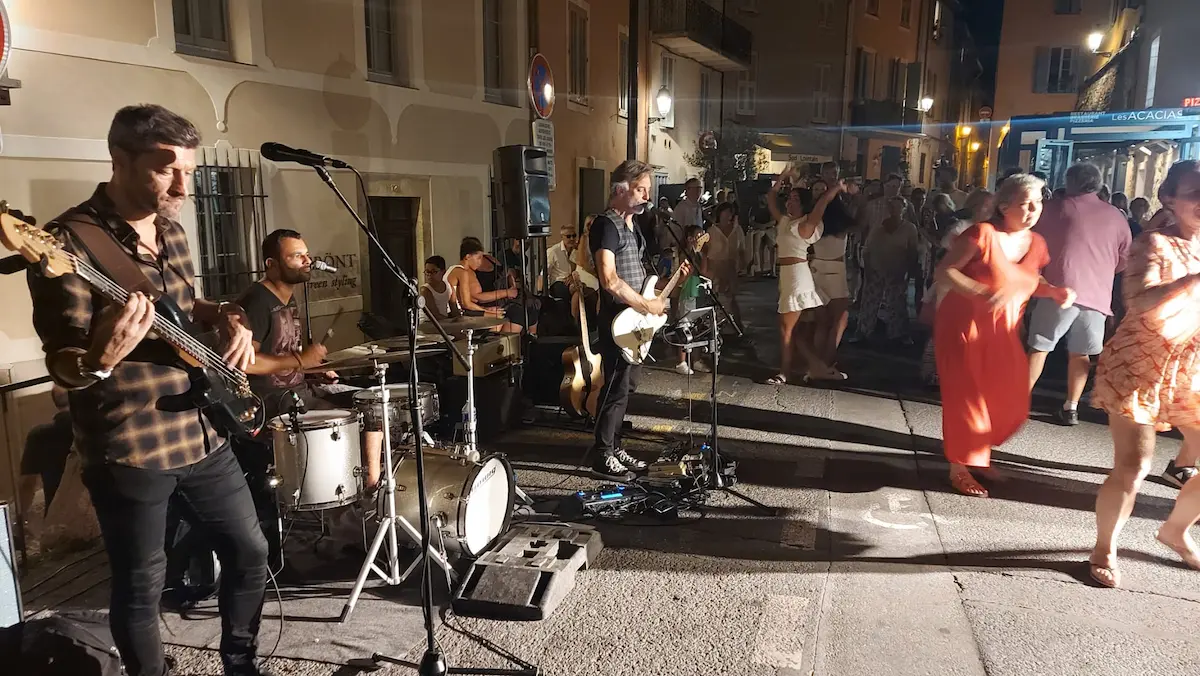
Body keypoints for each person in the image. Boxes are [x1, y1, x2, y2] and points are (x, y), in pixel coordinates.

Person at [26, 104, 268, 676]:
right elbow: (61, 361)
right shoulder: (69, 245)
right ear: (119, 160)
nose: (184, 184)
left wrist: (228, 316)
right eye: (166, 169)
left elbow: (185, 307)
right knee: (142, 583)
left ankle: (241, 664)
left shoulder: (174, 231)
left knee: (250, 551)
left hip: (200, 426)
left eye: (189, 169)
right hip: (132, 444)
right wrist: (96, 359)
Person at [1088, 160, 1200, 587]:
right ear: (1169, 199)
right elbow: (1139, 300)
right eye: (1194, 192)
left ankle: (1174, 531)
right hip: (1140, 364)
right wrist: (1193, 279)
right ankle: (1104, 548)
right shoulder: (1153, 243)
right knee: (1134, 466)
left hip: (1190, 365)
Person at [934, 173, 1075, 498]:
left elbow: (1027, 281)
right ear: (1004, 205)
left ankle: (978, 454)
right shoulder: (981, 233)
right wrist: (980, 292)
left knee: (1009, 396)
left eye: (1038, 203)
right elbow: (945, 272)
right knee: (967, 398)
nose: (1033, 210)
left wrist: (1054, 292)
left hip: (1004, 329)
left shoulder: (1036, 243)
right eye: (1025, 204)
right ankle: (961, 466)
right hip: (963, 326)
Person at [238, 229, 386, 492]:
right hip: (272, 403)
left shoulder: (288, 298)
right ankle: (366, 490)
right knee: (364, 412)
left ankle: (371, 484)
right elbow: (245, 362)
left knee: (374, 404)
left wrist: (311, 371)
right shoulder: (258, 301)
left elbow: (283, 356)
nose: (307, 260)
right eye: (296, 256)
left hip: (298, 390)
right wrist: (299, 361)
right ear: (271, 265)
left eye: (306, 254)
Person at [589, 160, 690, 480]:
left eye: (648, 190)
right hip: (618, 319)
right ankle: (602, 453)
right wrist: (646, 306)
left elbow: (643, 279)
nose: (647, 195)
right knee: (615, 387)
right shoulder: (605, 225)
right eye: (641, 189)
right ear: (621, 190)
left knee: (626, 387)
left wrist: (671, 282)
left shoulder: (635, 228)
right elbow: (609, 279)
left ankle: (615, 445)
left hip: (635, 320)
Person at [1027, 163, 1131, 426]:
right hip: (1097, 294)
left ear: (1070, 181)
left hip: (1058, 289)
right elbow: (1124, 260)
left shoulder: (1054, 209)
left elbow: (1032, 240)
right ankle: (1071, 407)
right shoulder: (1116, 216)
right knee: (1081, 353)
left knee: (1040, 347)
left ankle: (1018, 400)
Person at [765, 166, 844, 385]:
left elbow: (822, 203)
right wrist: (782, 178)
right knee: (795, 331)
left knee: (787, 330)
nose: (790, 203)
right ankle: (815, 367)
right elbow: (771, 197)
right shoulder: (784, 222)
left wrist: (837, 187)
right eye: (789, 199)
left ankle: (785, 372)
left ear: (803, 204)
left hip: (797, 277)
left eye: (795, 200)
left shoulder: (806, 224)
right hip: (788, 277)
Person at [919, 189, 994, 386]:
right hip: (953, 284)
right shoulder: (962, 227)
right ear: (977, 206)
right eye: (988, 204)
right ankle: (932, 371)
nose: (992, 209)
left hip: (974, 287)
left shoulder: (992, 230)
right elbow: (945, 254)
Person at [853, 196, 920, 345]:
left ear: (904, 209)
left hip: (897, 271)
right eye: (892, 207)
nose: (894, 210)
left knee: (897, 304)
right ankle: (863, 331)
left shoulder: (909, 229)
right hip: (876, 269)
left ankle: (899, 334)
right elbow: (868, 250)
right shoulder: (879, 228)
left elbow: (913, 252)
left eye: (898, 207)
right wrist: (868, 268)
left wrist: (909, 271)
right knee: (869, 302)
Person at [807, 174, 855, 371]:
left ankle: (820, 363)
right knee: (837, 321)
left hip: (817, 269)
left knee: (822, 322)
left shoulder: (811, 217)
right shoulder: (842, 219)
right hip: (835, 269)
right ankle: (828, 362)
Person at [18, 386, 73, 518]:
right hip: (94, 518)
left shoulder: (38, 436)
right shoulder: (90, 429)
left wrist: (21, 519)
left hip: (56, 517)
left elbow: (27, 484)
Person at [446, 238, 520, 331]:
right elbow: (466, 304)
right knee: (499, 317)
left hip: (461, 311)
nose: (480, 262)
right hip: (456, 314)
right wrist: (487, 311)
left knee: (499, 314)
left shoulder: (453, 268)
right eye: (478, 258)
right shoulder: (462, 272)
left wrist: (485, 309)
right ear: (468, 257)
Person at [705, 202, 745, 327]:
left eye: (730, 212)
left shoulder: (737, 229)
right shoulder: (712, 230)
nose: (728, 215)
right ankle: (716, 327)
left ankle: (737, 325)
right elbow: (705, 250)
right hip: (715, 266)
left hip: (731, 266)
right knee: (717, 297)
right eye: (725, 211)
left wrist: (743, 264)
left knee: (731, 297)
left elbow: (742, 249)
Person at [546, 223, 580, 298]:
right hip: (557, 283)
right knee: (575, 290)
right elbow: (545, 273)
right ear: (562, 237)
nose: (572, 239)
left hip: (572, 281)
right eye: (568, 236)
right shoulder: (553, 251)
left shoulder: (577, 251)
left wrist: (572, 277)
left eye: (574, 236)